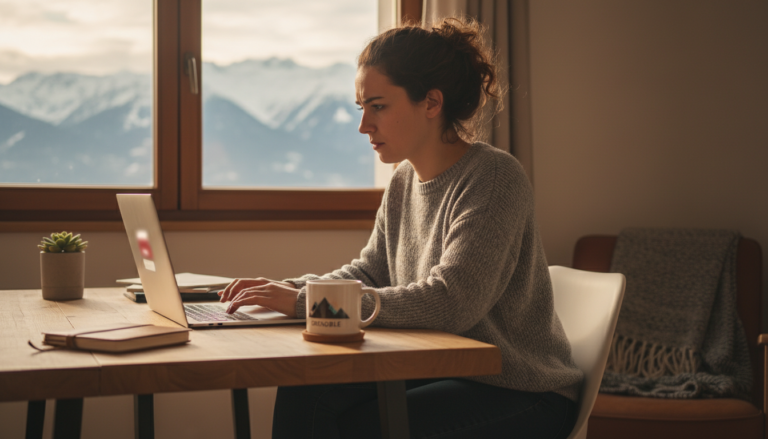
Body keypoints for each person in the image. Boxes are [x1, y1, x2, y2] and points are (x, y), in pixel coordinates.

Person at [219, 17, 582, 439]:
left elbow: (451, 302)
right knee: (307, 391)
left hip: (519, 389)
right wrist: (282, 291)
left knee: (367, 427)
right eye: (361, 108)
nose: (363, 126)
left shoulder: (495, 178)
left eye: (378, 106)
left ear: (431, 103)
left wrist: (304, 304)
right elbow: (370, 272)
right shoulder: (404, 181)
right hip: (438, 366)